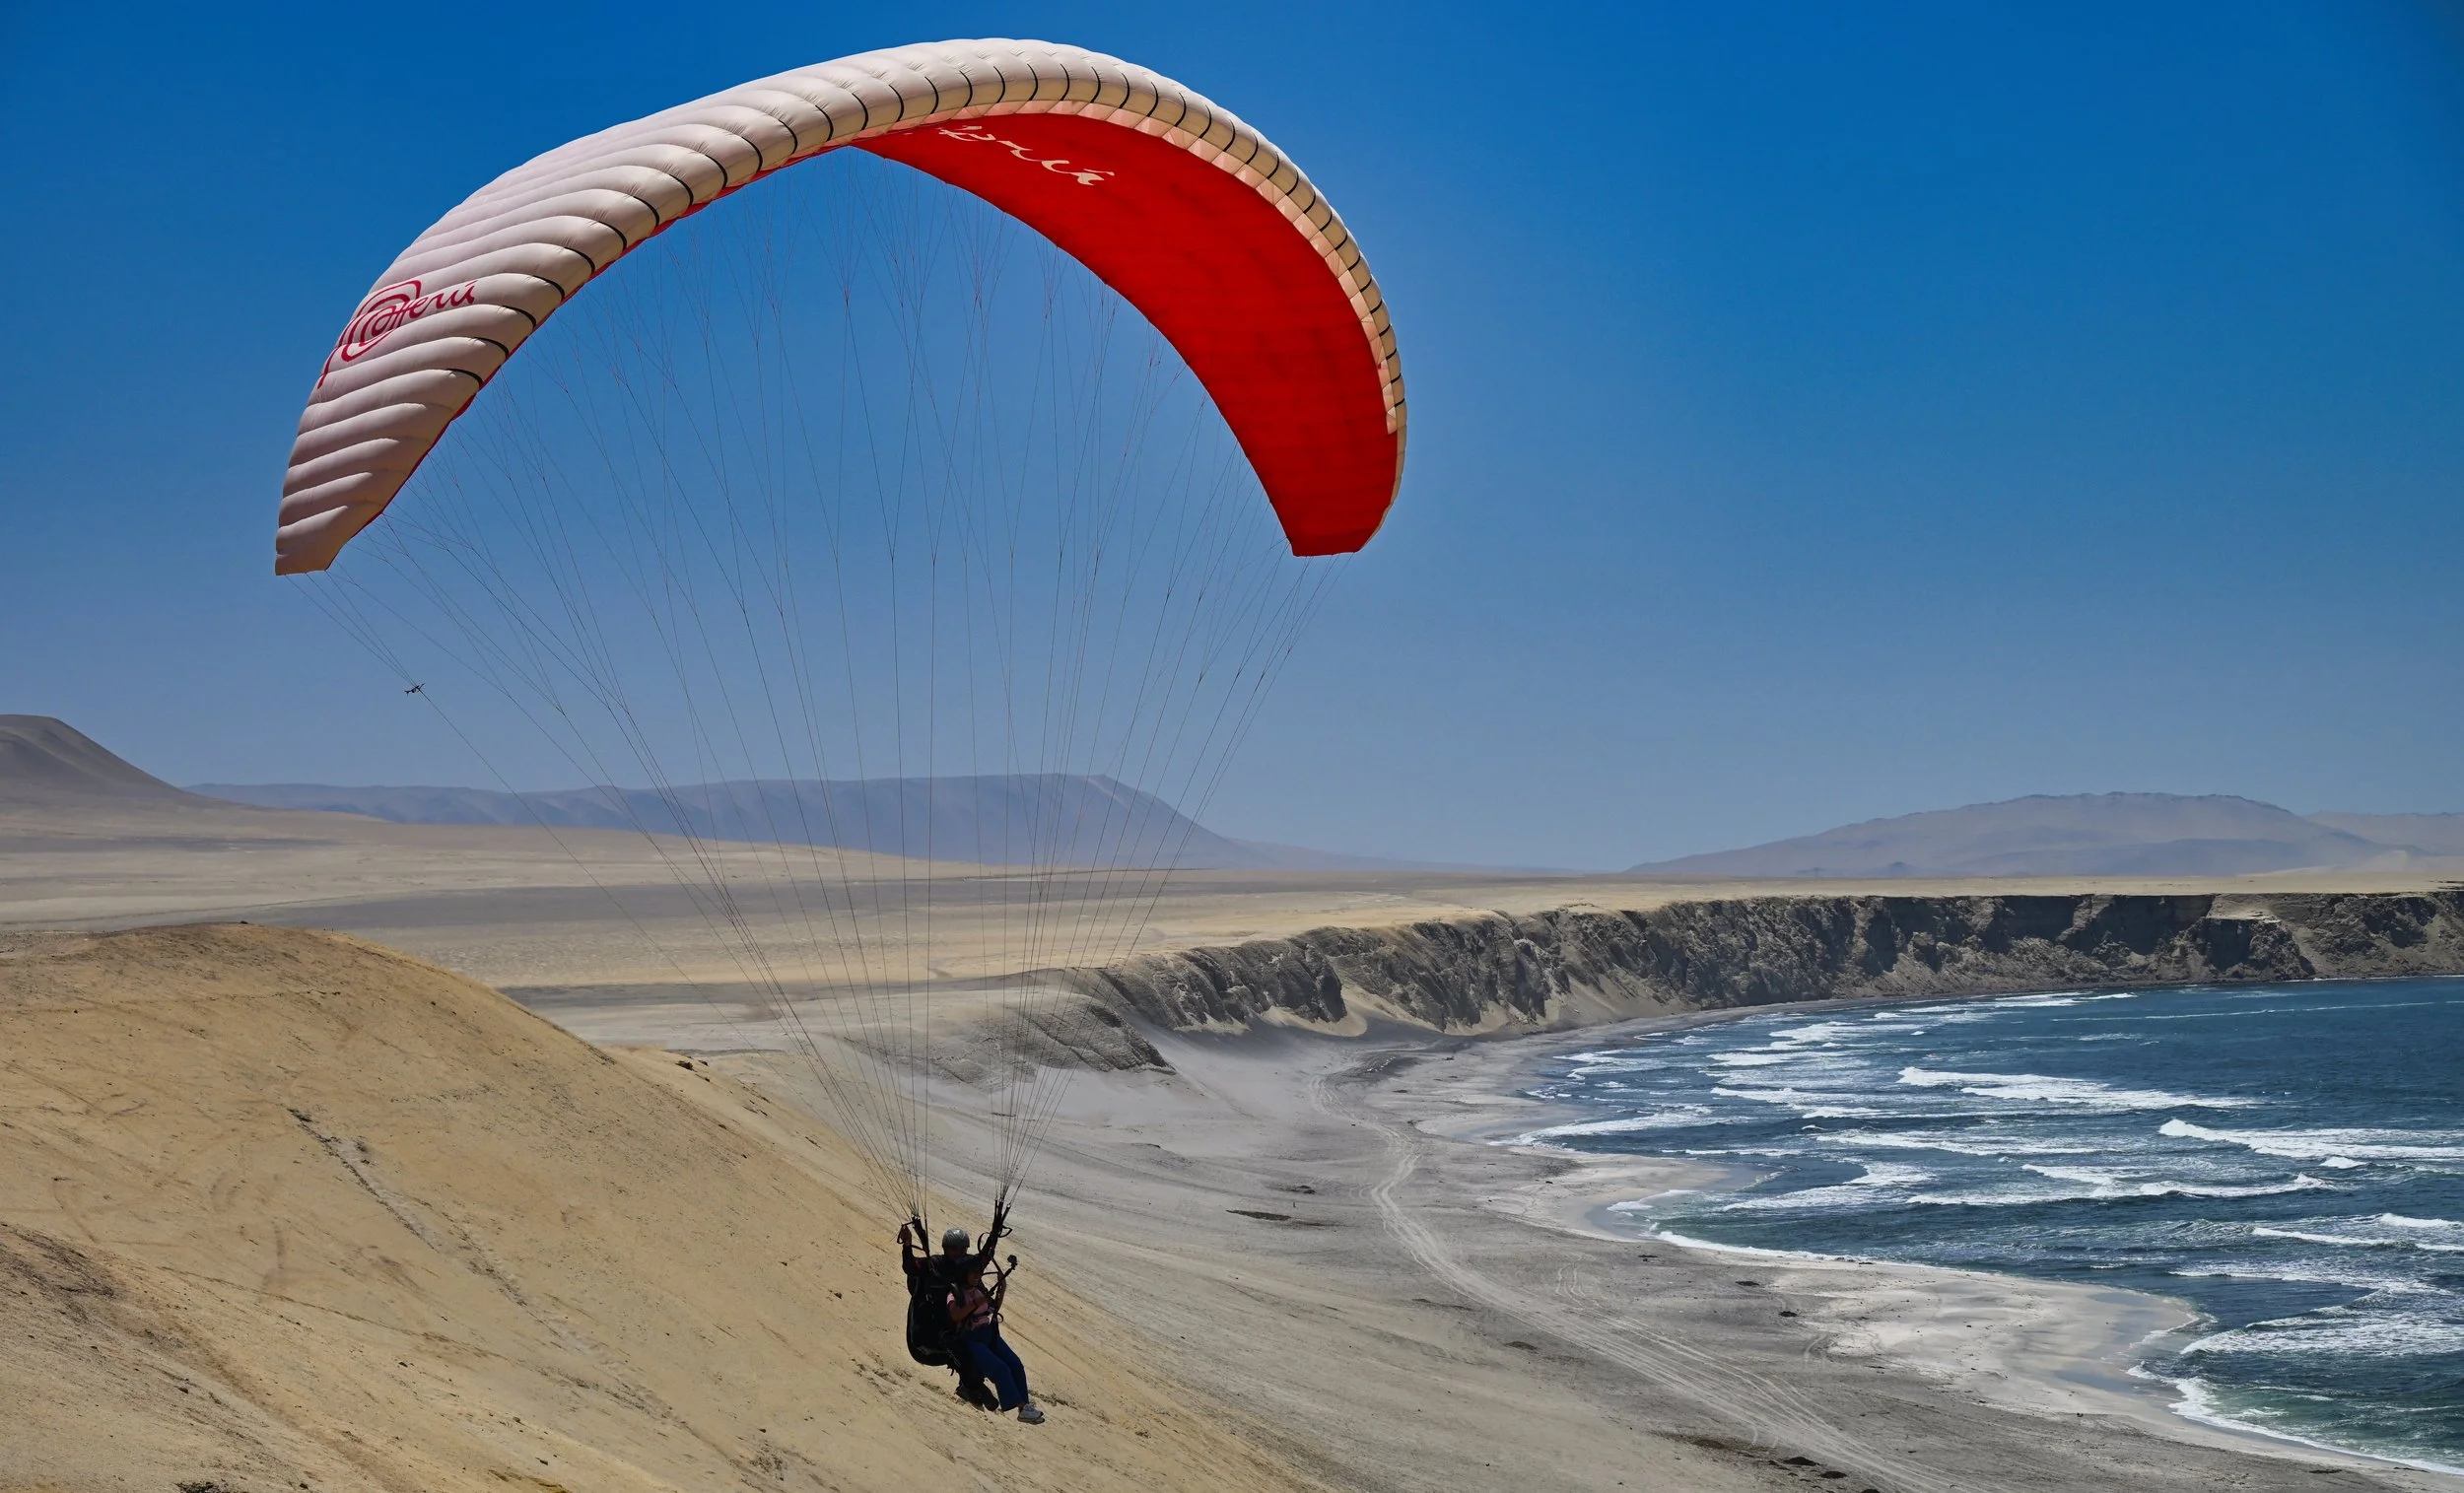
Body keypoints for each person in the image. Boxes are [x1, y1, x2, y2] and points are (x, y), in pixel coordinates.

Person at [897, 1214, 1044, 1422]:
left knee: (1014, 1364)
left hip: (983, 1331)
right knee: (991, 1365)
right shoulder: (937, 1265)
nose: (959, 1253)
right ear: (946, 1249)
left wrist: (996, 1229)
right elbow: (912, 1267)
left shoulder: (969, 1269)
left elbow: (985, 1256)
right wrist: (908, 1244)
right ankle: (979, 1390)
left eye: (963, 1249)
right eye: (955, 1249)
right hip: (938, 1330)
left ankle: (1019, 1404)